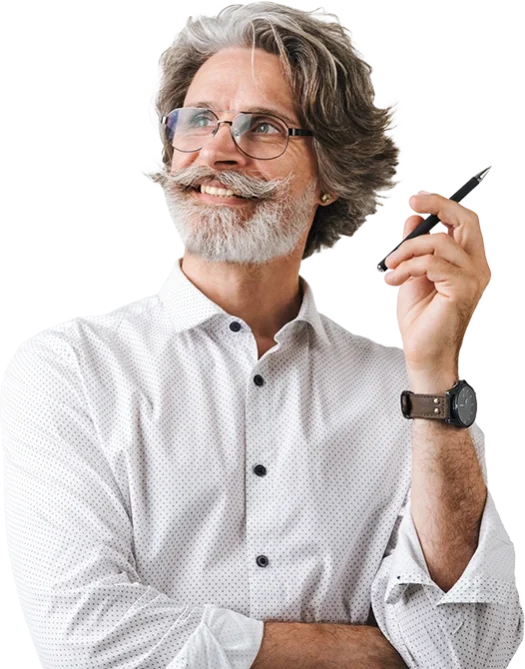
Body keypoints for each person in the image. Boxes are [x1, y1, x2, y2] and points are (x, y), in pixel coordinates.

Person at [1, 2, 522, 668]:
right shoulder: (68, 370)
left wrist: (433, 372)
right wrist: (376, 655)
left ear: (331, 176)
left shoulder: (414, 399)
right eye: (199, 119)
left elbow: (465, 653)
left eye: (264, 127)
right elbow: (81, 636)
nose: (217, 151)